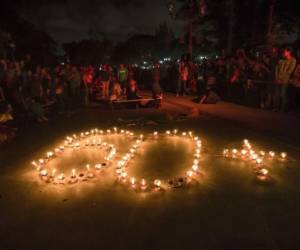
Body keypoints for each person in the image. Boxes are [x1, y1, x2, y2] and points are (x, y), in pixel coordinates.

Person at [274, 47, 296, 112]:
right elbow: (277, 68)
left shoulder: (293, 60)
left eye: (285, 51)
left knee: (283, 94)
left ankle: (283, 109)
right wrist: (277, 77)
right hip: (278, 79)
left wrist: (281, 78)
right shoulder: (282, 60)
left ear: (289, 52)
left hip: (285, 80)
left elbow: (290, 71)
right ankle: (276, 108)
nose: (284, 52)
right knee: (277, 94)